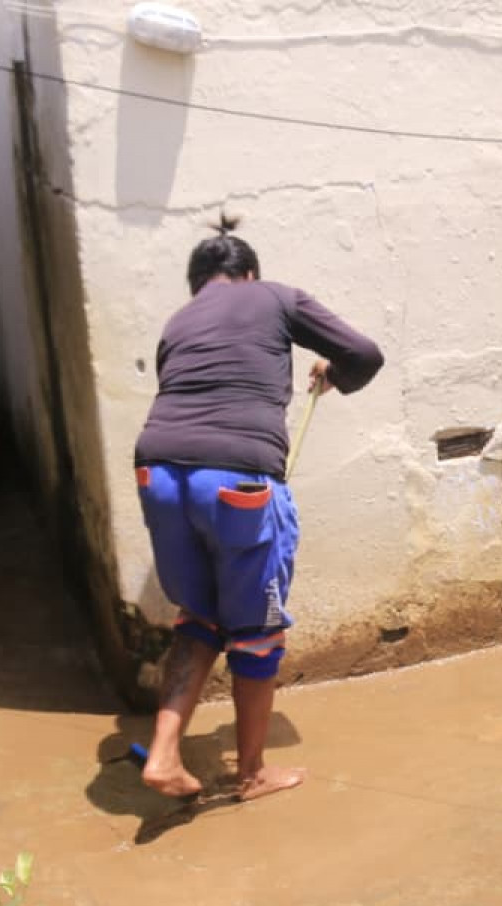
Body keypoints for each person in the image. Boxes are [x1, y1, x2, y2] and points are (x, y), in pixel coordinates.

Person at [133, 217, 384, 803]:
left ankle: (165, 754)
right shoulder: (275, 295)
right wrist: (336, 374)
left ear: (199, 284)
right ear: (248, 274)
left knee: (199, 617)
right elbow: (365, 355)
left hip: (158, 474)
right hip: (238, 482)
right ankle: (250, 774)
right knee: (256, 634)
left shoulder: (178, 322)